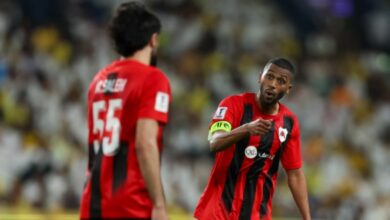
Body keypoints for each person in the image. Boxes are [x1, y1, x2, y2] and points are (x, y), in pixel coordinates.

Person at [79, 2, 170, 220]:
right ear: (153, 39)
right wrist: (158, 203)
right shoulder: (153, 78)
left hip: (92, 202)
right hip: (131, 205)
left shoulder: (98, 81)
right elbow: (145, 144)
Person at [194, 58, 311, 220]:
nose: (273, 84)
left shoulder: (289, 122)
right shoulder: (232, 105)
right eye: (269, 77)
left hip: (256, 215)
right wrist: (246, 129)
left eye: (281, 81)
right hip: (218, 211)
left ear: (288, 89)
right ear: (259, 77)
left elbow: (295, 174)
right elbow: (215, 142)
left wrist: (307, 217)